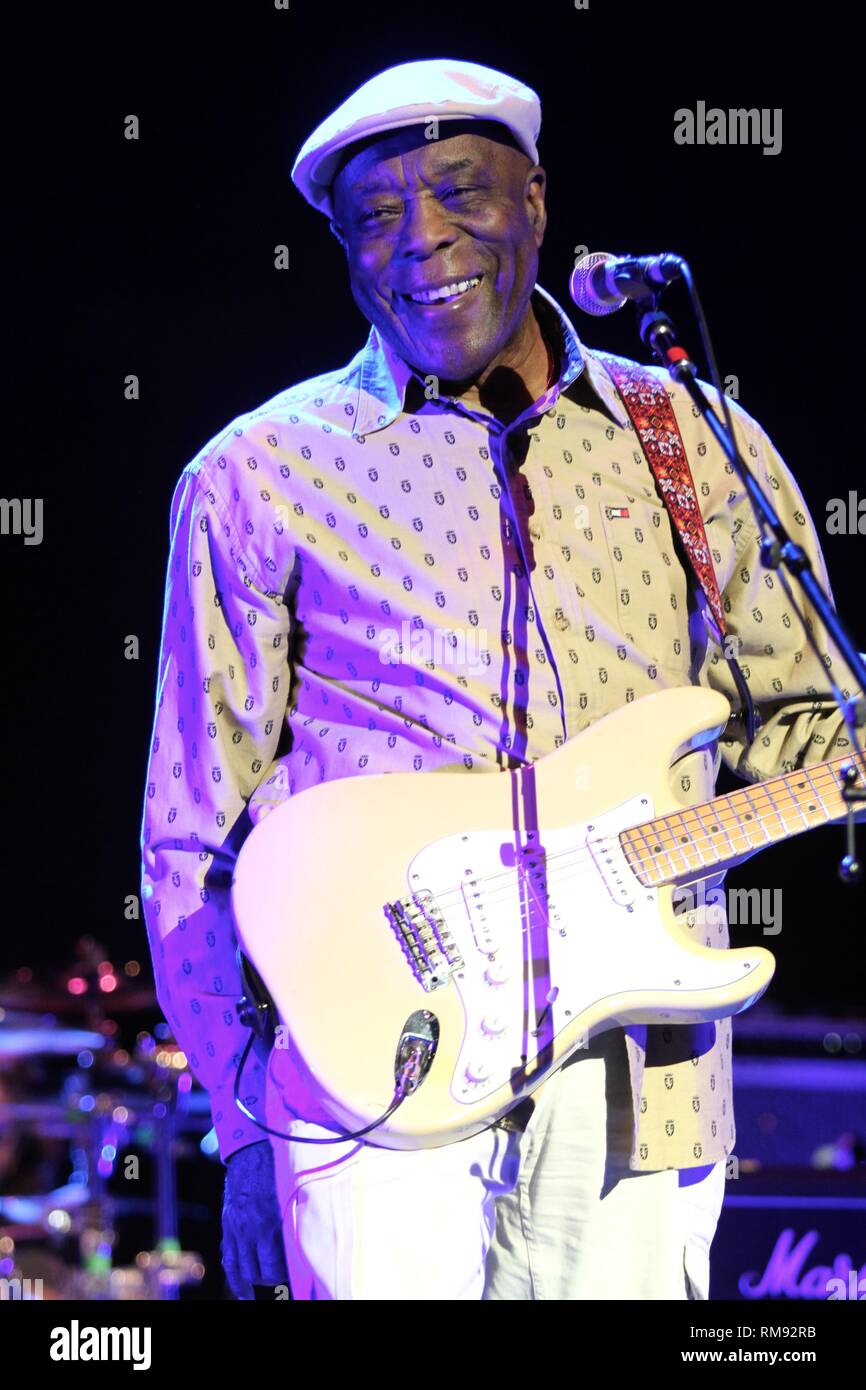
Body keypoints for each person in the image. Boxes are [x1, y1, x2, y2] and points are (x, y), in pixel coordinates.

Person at [139, 58, 857, 1300]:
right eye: (374, 215)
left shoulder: (691, 439)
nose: (421, 240)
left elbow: (799, 714)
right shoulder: (256, 472)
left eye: (461, 192)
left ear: (535, 199)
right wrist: (245, 1117)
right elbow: (191, 831)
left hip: (641, 1071)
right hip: (374, 1067)